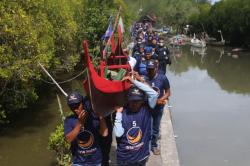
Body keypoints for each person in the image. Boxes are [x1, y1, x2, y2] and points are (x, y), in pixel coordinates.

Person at [114, 73, 158, 166]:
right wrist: (118, 114)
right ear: (128, 100)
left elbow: (153, 94)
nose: (134, 103)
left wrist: (134, 81)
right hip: (124, 159)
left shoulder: (146, 109)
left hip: (141, 157)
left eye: (137, 101)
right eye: (132, 100)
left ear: (142, 101)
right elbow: (118, 133)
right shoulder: (122, 112)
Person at [64, 91, 108, 166]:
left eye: (77, 105)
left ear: (83, 103)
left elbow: (104, 134)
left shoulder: (94, 117)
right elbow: (68, 140)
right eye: (72, 107)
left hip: (96, 161)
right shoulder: (69, 120)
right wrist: (79, 124)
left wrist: (100, 116)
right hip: (79, 162)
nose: (75, 109)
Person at [145, 60, 171, 155]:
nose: (150, 71)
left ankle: (154, 146)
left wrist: (161, 99)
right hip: (147, 107)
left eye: (152, 69)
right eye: (148, 69)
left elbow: (168, 92)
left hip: (158, 108)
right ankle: (145, 147)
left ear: (156, 68)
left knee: (155, 128)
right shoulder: (145, 78)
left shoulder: (163, 78)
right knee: (147, 127)